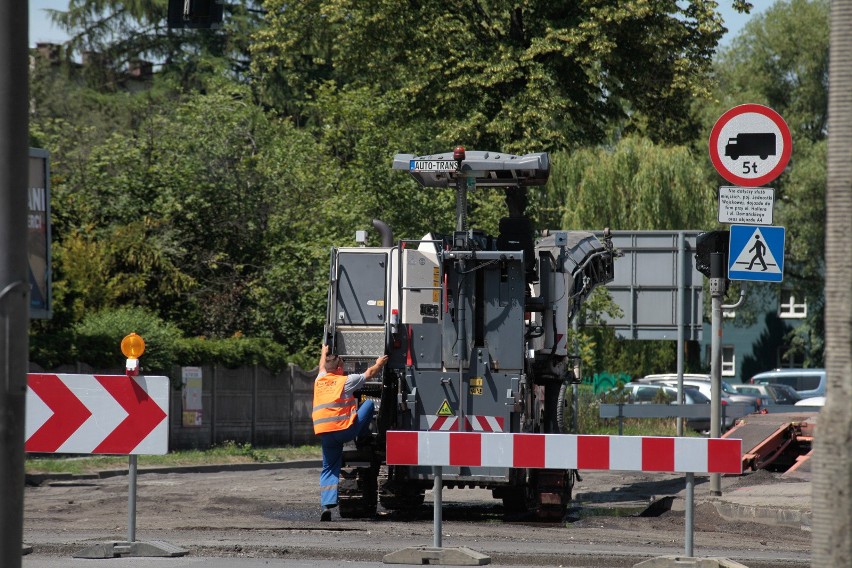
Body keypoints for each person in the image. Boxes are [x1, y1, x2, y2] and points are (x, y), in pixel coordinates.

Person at [312, 343, 388, 521]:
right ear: (339, 368)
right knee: (368, 404)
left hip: (324, 433)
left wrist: (323, 352)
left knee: (329, 468)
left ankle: (327, 506)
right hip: (344, 431)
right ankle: (363, 438)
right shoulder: (345, 381)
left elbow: (322, 366)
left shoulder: (319, 380)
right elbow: (369, 374)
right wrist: (379, 363)